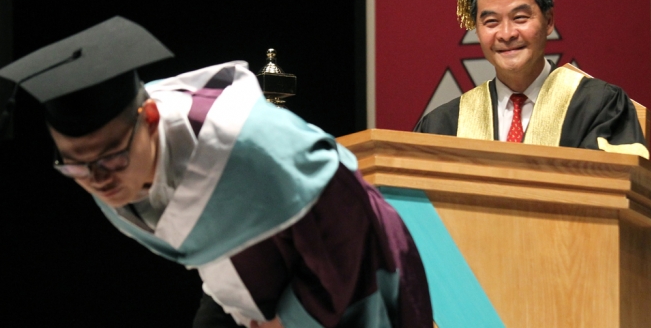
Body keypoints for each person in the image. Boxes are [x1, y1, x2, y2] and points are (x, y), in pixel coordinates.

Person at [0, 16, 433, 327]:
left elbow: (348, 238)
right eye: (76, 165)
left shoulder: (252, 145)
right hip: (241, 280)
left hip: (341, 273)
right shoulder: (99, 168)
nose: (99, 181)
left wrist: (290, 319)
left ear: (149, 117)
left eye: (111, 159)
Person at [415, 0, 649, 159]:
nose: (506, 34)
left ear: (548, 21)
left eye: (520, 18)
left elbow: (614, 190)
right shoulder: (443, 125)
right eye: (491, 21)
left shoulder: (599, 107)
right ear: (476, 29)